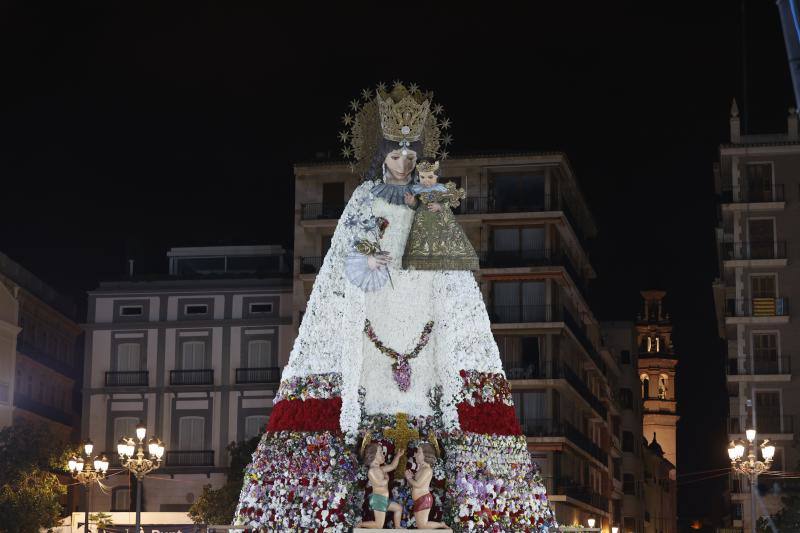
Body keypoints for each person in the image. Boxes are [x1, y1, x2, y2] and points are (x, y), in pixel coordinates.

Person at [401, 158, 479, 271]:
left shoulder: (442, 190)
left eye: (430, 177)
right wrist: (411, 202)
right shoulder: (418, 190)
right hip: (422, 224)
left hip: (441, 223)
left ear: (437, 176)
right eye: (422, 177)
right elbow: (417, 205)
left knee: (443, 243)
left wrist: (440, 206)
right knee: (420, 245)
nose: (426, 181)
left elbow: (447, 204)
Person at [357, 445, 405, 529]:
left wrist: (398, 456)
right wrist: (387, 478)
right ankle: (361, 524)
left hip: (384, 499)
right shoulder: (371, 471)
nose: (383, 455)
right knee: (379, 525)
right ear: (373, 455)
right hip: (378, 500)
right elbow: (380, 483)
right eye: (381, 453)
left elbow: (392, 466)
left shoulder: (381, 469)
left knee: (398, 508)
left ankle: (397, 526)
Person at [404, 443, 449, 530]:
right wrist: (410, 477)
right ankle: (441, 525)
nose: (416, 454)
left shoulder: (427, 470)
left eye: (418, 452)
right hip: (418, 499)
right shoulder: (421, 469)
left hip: (424, 499)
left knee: (422, 525)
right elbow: (414, 484)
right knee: (420, 525)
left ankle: (441, 525)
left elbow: (418, 485)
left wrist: (409, 478)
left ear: (426, 455)